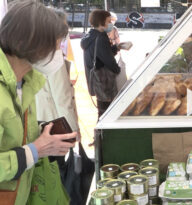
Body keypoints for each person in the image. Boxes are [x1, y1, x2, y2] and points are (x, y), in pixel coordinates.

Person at [0, 1, 77, 204]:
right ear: (31, 44)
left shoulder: (25, 82)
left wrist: (44, 132)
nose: (58, 53)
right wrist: (35, 151)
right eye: (55, 45)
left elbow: (12, 134)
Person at [36, 9, 80, 140]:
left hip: (39, 123)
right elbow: (62, 98)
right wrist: (73, 132)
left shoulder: (33, 51)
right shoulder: (52, 56)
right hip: (55, 126)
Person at [81, 10, 121, 117]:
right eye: (108, 21)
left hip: (95, 79)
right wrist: (118, 70)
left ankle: (100, 133)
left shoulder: (90, 36)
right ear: (101, 22)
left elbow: (101, 55)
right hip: (104, 81)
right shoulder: (101, 37)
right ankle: (101, 133)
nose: (110, 24)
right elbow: (108, 60)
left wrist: (116, 48)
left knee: (102, 111)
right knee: (107, 113)